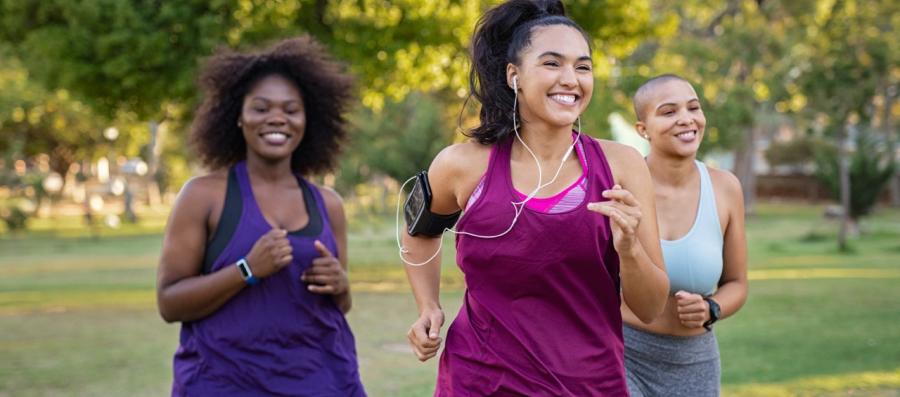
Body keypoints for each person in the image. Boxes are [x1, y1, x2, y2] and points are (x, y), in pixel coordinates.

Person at [400, 1, 670, 395]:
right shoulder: (462, 165)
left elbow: (649, 307)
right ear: (514, 76)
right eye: (552, 63)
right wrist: (428, 305)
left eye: (583, 66)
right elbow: (418, 233)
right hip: (479, 381)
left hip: (588, 385)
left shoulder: (622, 166)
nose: (571, 79)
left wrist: (629, 250)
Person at [155, 36, 365, 396]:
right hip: (224, 383)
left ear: (307, 119)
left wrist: (341, 285)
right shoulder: (204, 195)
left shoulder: (327, 204)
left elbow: (340, 305)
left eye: (291, 109)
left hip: (323, 380)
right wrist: (247, 269)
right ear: (237, 116)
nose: (277, 119)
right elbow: (170, 302)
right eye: (261, 108)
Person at [623, 74, 749, 397]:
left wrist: (712, 309)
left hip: (695, 362)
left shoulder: (726, 188)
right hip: (623, 354)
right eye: (668, 112)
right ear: (643, 129)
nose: (686, 119)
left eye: (693, 108)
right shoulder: (620, 186)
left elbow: (737, 283)